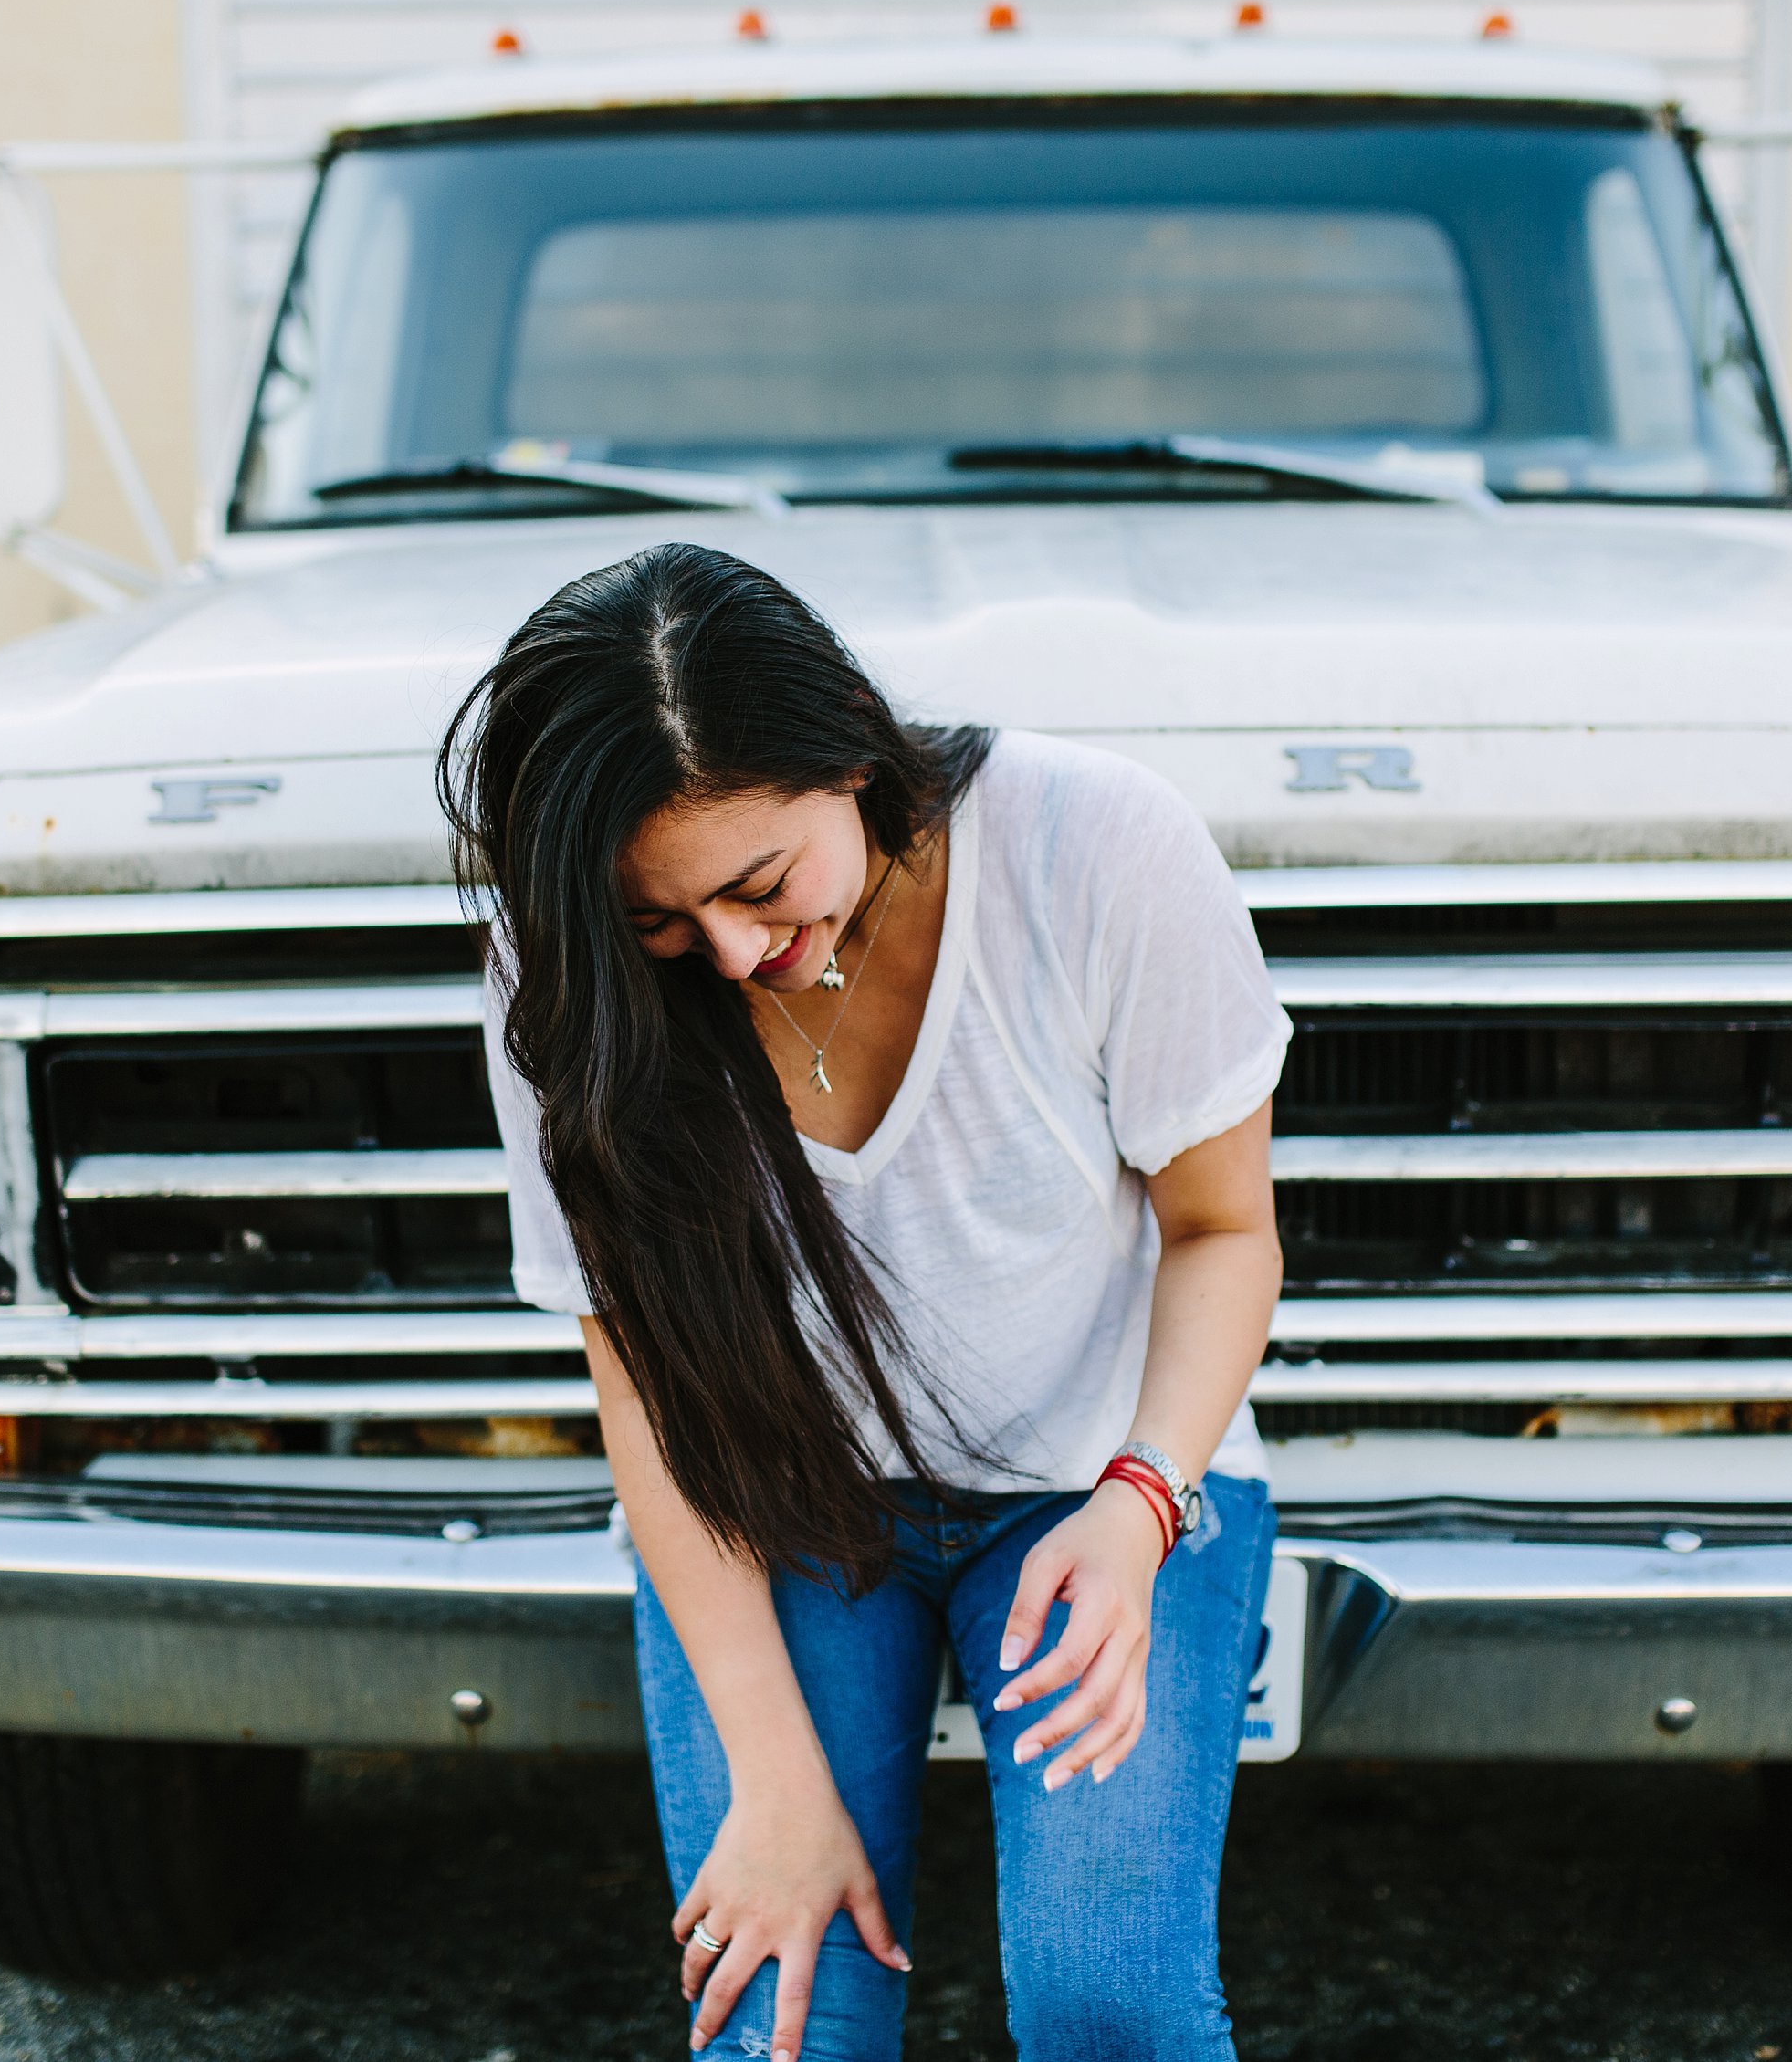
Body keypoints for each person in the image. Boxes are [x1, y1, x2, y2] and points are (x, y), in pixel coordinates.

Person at [439, 542, 1290, 2062]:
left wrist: (1143, 1500)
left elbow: (1225, 1232)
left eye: (760, 885)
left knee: (1114, 2009)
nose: (733, 954)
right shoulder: (563, 979)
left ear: (851, 746)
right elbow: (640, 1385)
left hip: (1104, 1477)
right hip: (783, 1503)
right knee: (781, 2018)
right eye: (661, 925)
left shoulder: (1097, 845)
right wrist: (772, 1782)